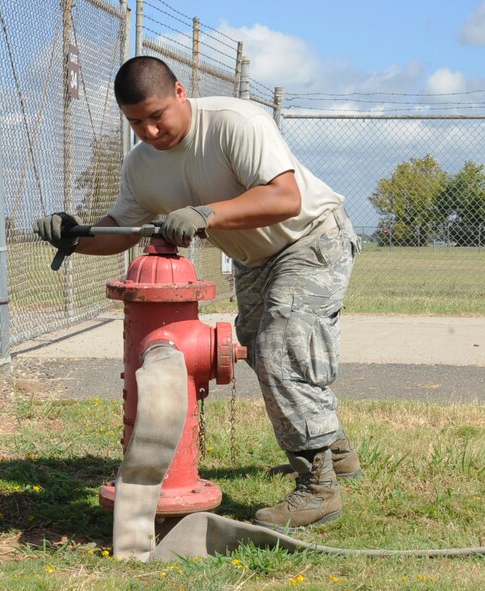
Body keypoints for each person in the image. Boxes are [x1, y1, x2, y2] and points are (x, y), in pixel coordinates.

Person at [34, 55, 362, 532]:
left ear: (181, 93)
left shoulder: (236, 122)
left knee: (279, 346)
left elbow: (285, 197)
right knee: (258, 343)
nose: (148, 131)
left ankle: (319, 488)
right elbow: (120, 230)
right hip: (254, 259)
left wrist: (205, 213)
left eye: (156, 115)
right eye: (134, 122)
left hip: (312, 237)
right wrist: (74, 235)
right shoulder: (142, 165)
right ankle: (334, 448)